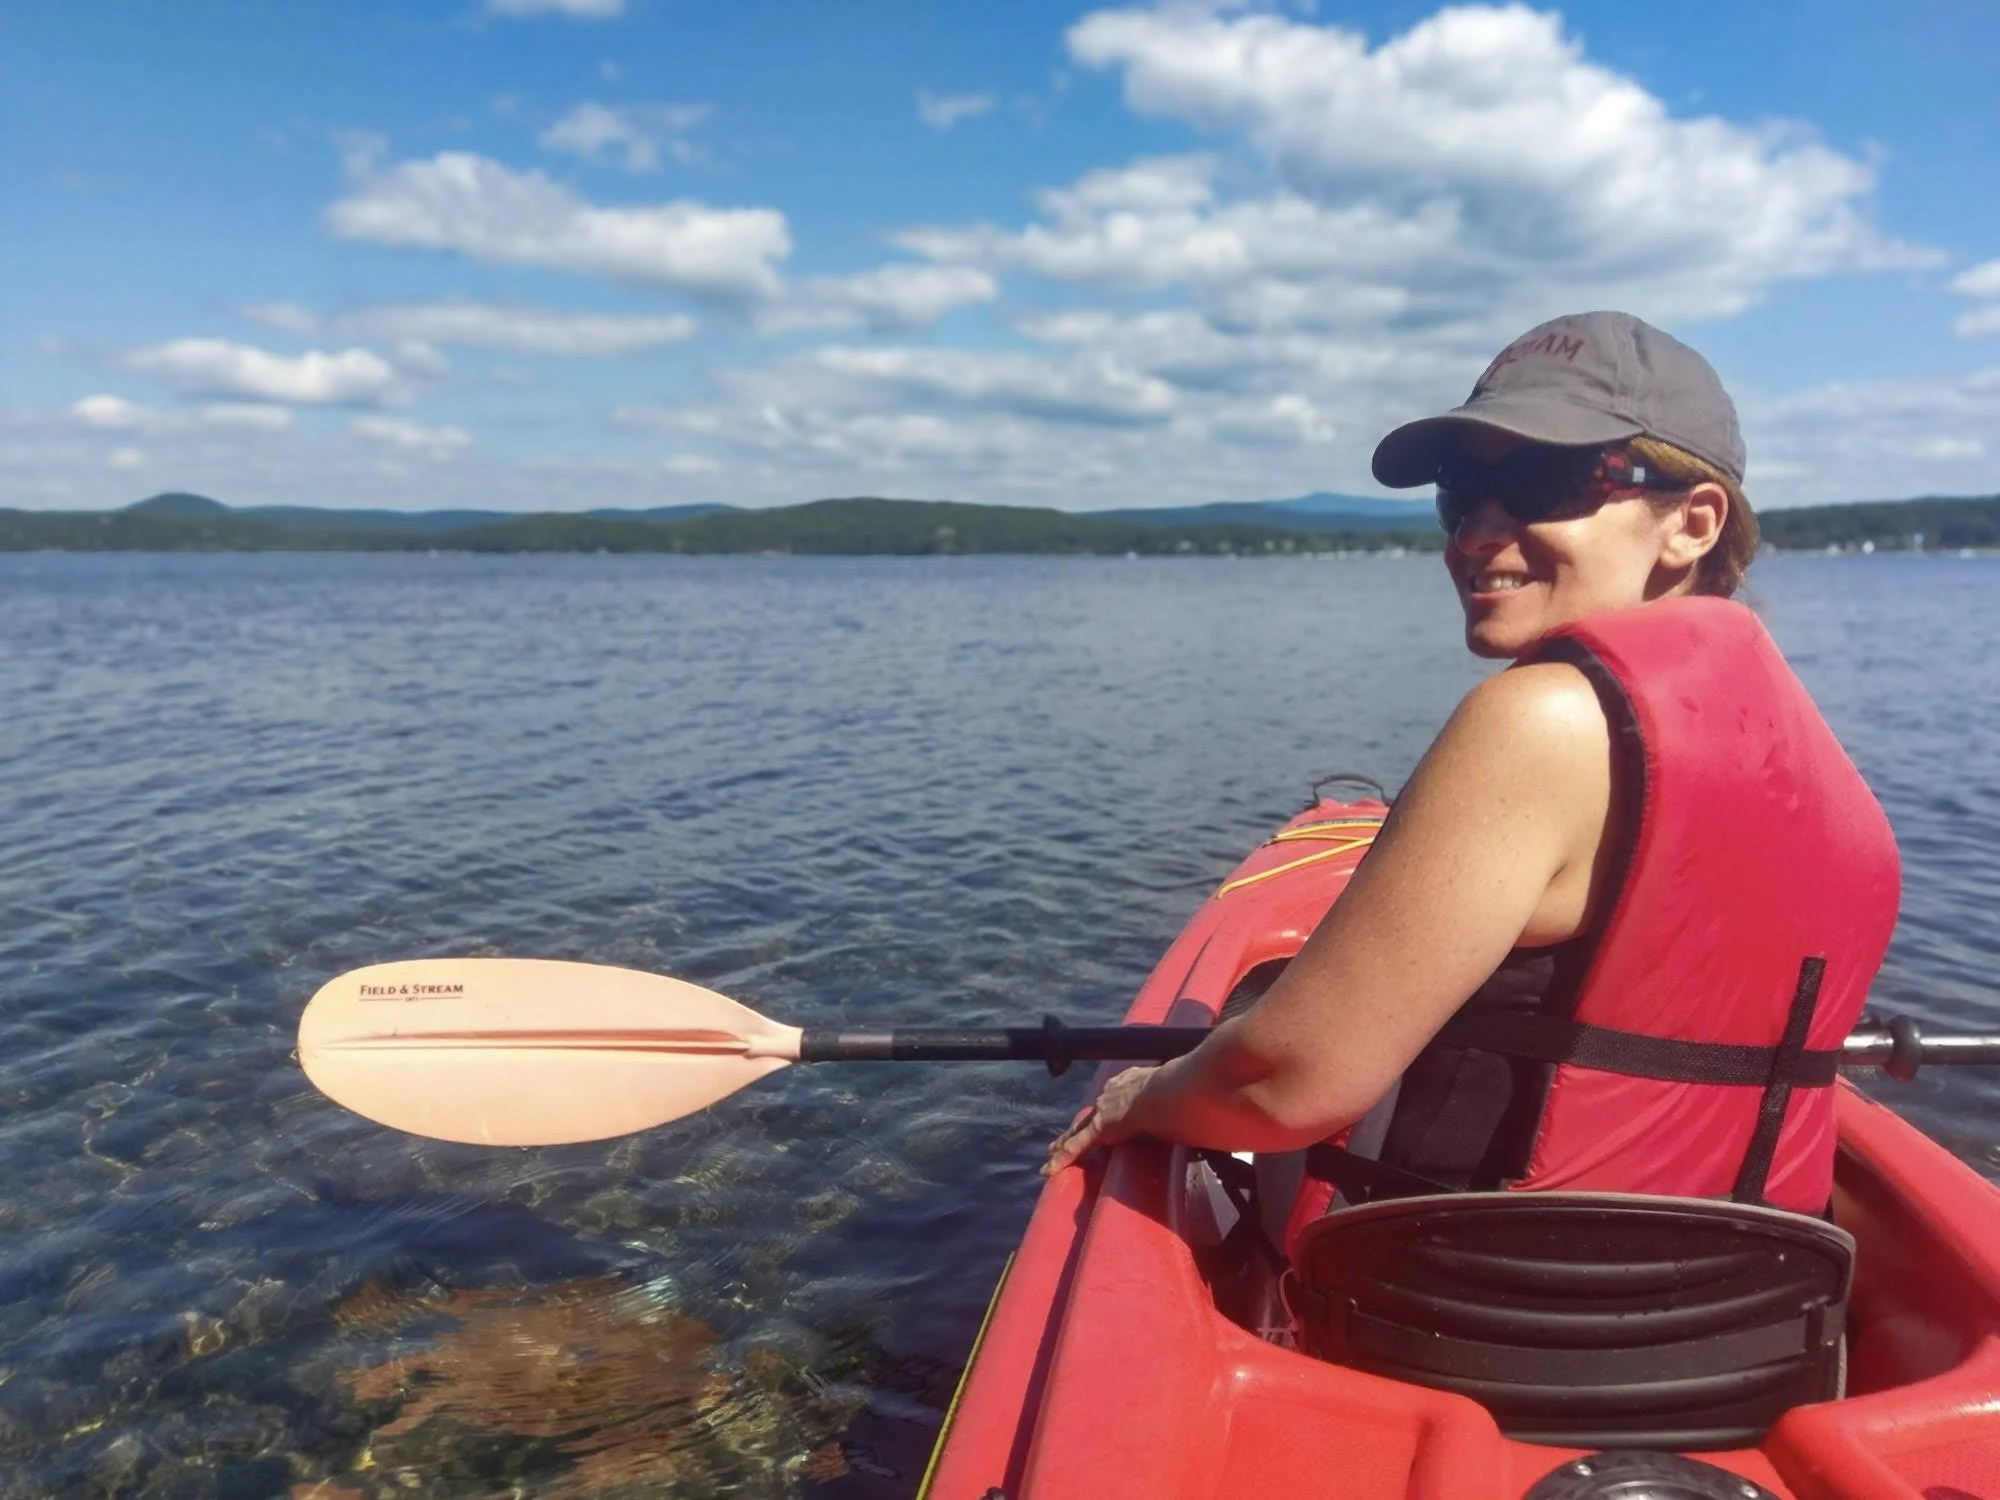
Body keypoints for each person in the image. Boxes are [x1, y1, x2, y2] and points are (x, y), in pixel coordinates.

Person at [1044, 311, 1901, 1220]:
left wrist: (1147, 1094)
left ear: (1691, 523)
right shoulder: (1822, 768)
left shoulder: (1540, 719)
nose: (1477, 531)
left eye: (1542, 478)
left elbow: (1284, 1084)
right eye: (1460, 491)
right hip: (1762, 1317)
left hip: (1493, 1323)